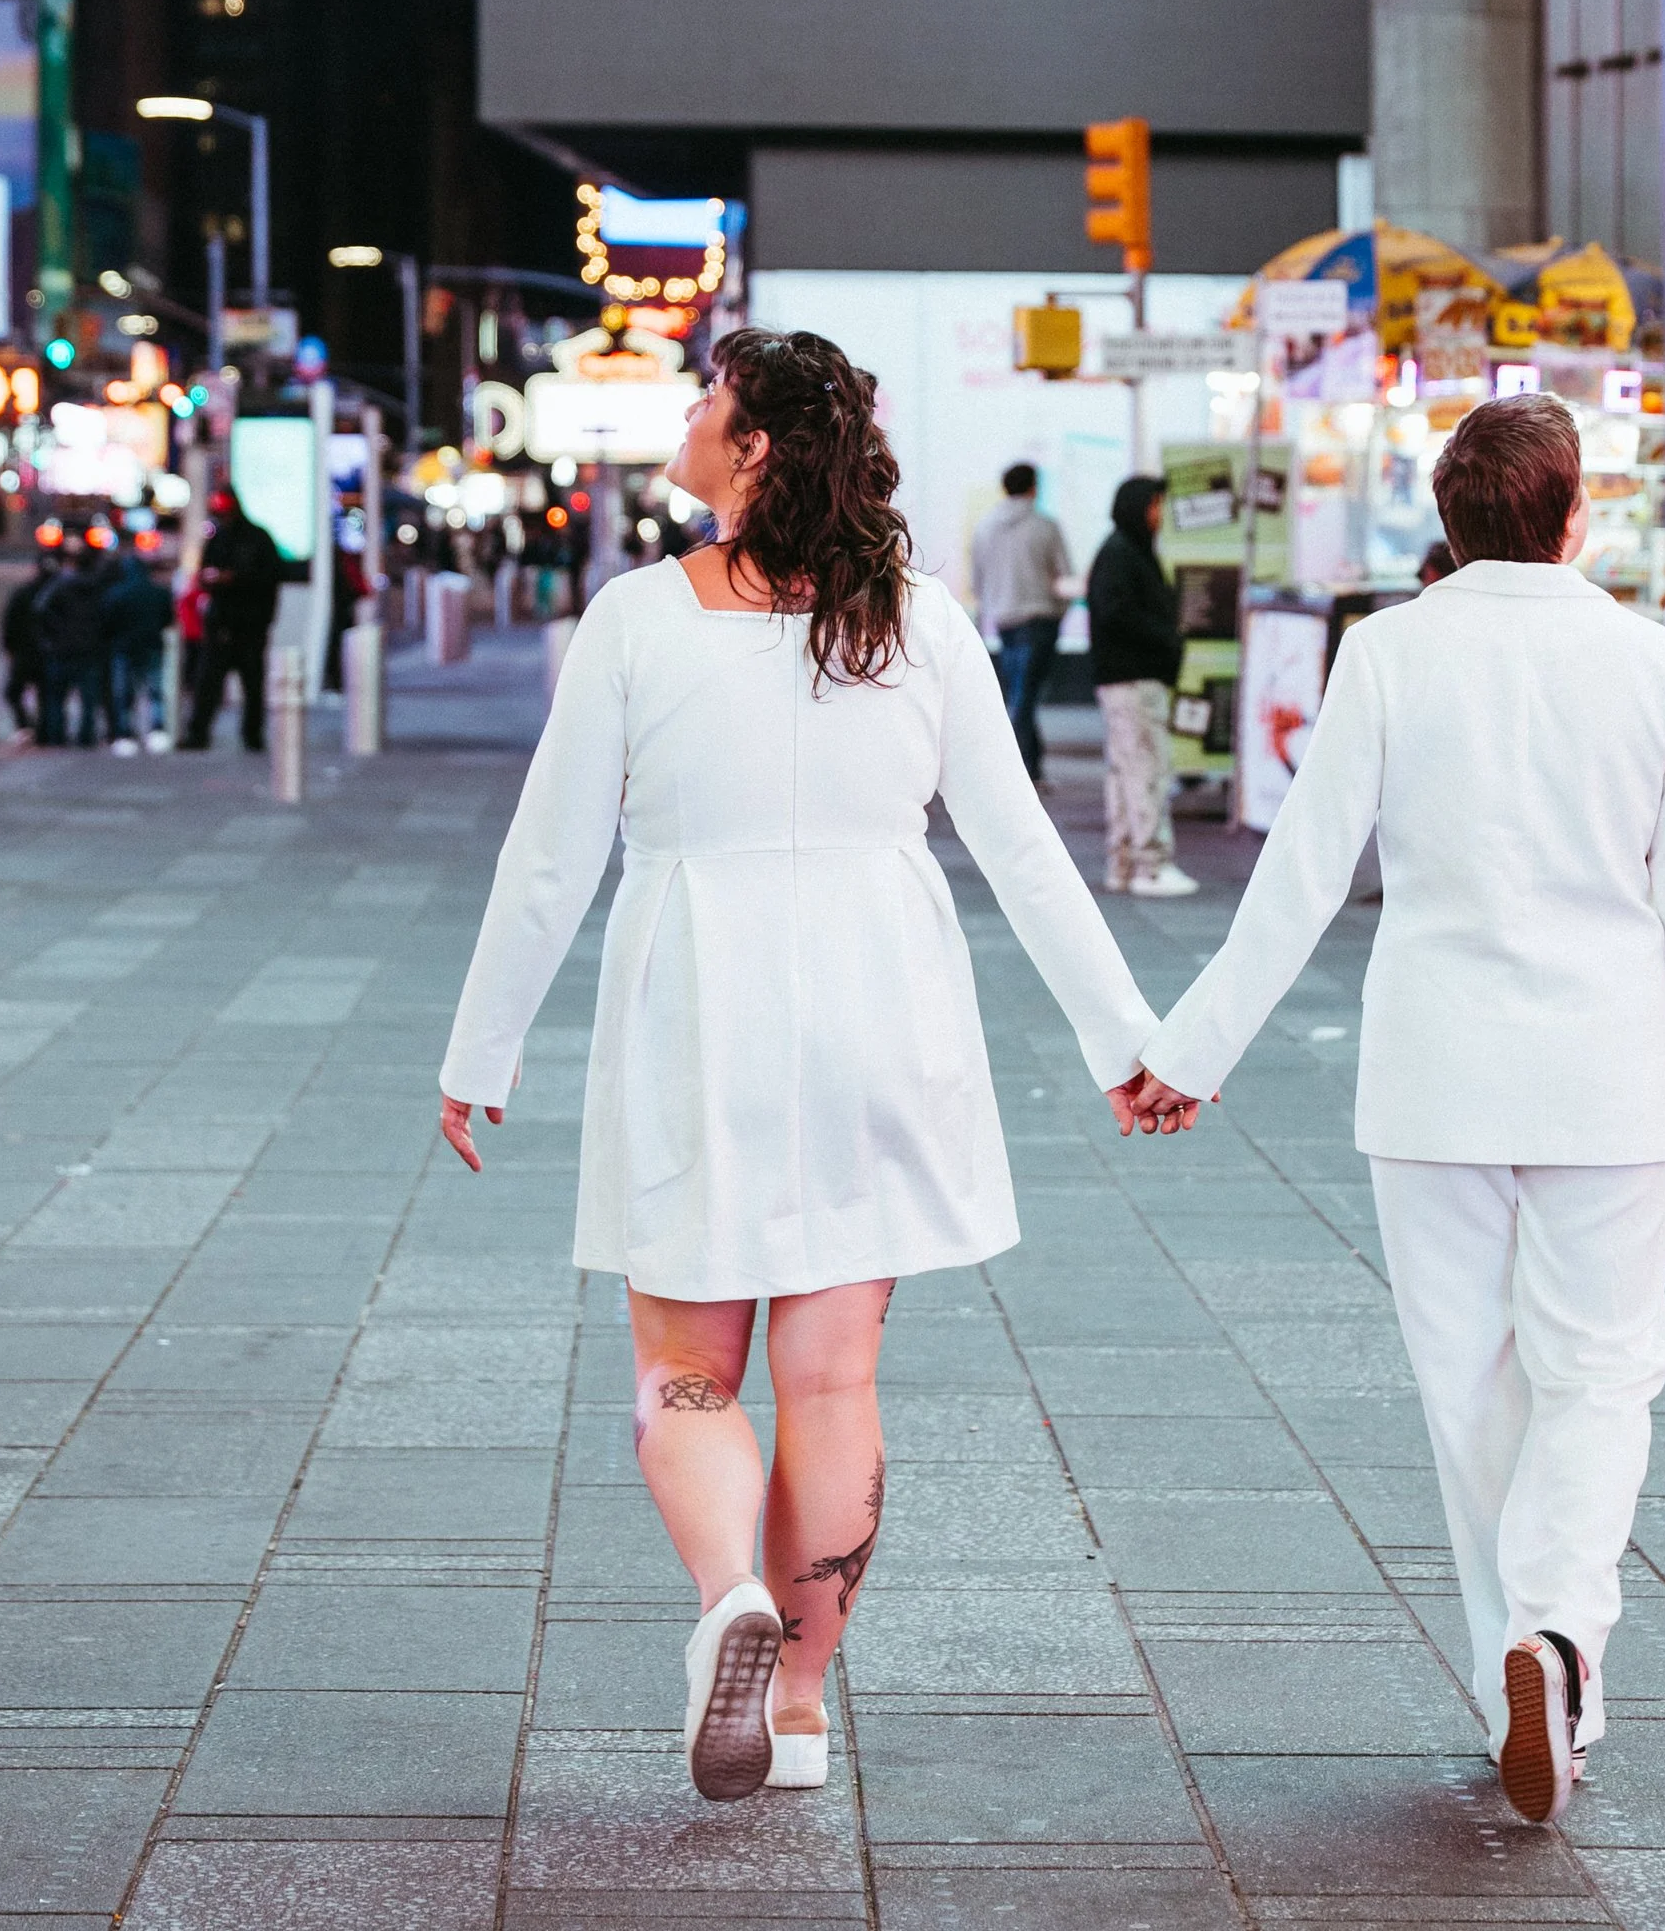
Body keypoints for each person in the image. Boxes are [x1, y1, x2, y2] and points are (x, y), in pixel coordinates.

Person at [436, 328, 1172, 1806]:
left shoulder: (637, 620)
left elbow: (548, 861)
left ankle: (729, 1595)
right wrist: (1126, 1041)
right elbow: (1021, 848)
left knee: (686, 1371)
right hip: (879, 1005)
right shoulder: (920, 620)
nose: (691, 414)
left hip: (696, 1005)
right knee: (833, 1383)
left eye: (708, 398)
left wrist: (481, 1049)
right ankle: (805, 1709)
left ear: (754, 446)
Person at [1125, 392, 1665, 1829]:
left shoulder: (1390, 651)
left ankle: (1518, 1677)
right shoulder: (1652, 661)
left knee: (1469, 1381)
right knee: (1603, 1369)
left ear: (1449, 517)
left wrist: (1193, 1049)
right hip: (1605, 1077)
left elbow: (1301, 872)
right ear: (1574, 509)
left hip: (1429, 1074)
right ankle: (1560, 1636)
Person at [1084, 473, 1196, 899]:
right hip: (1133, 680)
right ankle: (1151, 866)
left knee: (1126, 773)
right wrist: (1167, 638)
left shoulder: (1122, 552)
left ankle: (1126, 864)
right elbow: (1119, 613)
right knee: (1146, 771)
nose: (1160, 515)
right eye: (1155, 505)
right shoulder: (1124, 555)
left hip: (1123, 679)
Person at [970, 461, 1073, 781]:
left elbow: (977, 582)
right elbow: (1065, 577)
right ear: (1033, 488)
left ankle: (1031, 766)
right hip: (1040, 619)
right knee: (1024, 697)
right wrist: (1059, 610)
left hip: (1004, 621)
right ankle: (1019, 771)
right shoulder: (1046, 526)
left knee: (1020, 693)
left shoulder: (984, 527)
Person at [181, 490, 285, 752]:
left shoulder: (256, 539)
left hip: (249, 624)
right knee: (209, 682)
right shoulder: (218, 539)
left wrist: (234, 579)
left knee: (251, 684)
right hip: (222, 624)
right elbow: (203, 574)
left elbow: (268, 577)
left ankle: (252, 735)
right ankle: (199, 733)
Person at [33, 540, 111, 748]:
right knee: (88, 700)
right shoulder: (97, 587)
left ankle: (56, 737)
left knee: (56, 699)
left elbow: (40, 608)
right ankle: (86, 737)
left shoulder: (59, 586)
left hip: (62, 649)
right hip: (88, 649)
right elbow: (107, 615)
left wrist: (51, 636)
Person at [99, 540, 174, 755]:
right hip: (152, 646)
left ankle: (125, 734)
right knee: (155, 692)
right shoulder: (158, 592)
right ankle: (157, 731)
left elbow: (107, 622)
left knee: (124, 694)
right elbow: (167, 618)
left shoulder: (117, 593)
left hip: (124, 648)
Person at [1, 550, 59, 736]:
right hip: (48, 652)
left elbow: (10, 623)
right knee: (47, 696)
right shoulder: (60, 593)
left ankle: (26, 727)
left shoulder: (24, 593)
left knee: (14, 692)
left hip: (26, 652)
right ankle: (44, 733)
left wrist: (9, 648)